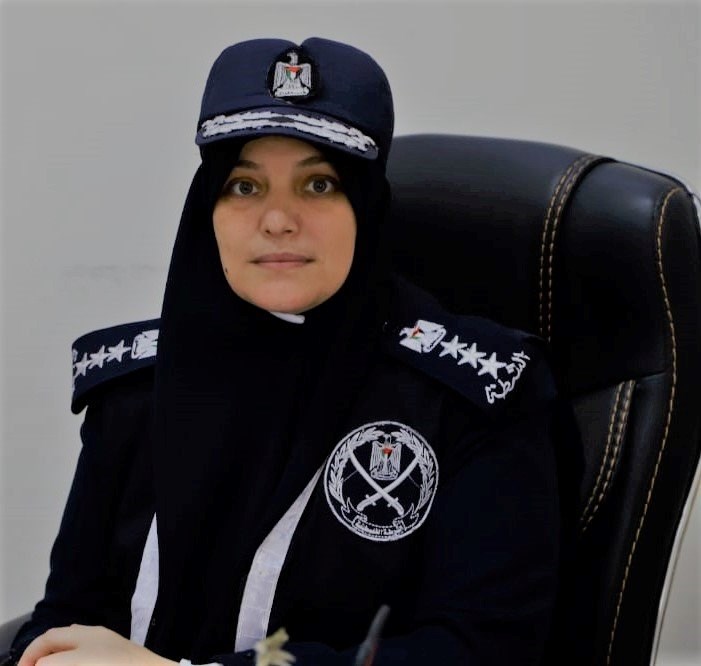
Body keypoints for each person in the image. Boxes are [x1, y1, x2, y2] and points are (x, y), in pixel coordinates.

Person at [6, 37, 563, 666]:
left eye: (319, 184)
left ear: (367, 206)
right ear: (207, 207)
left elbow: (482, 649)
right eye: (244, 186)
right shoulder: (133, 390)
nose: (277, 220)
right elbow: (64, 619)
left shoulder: (473, 395)